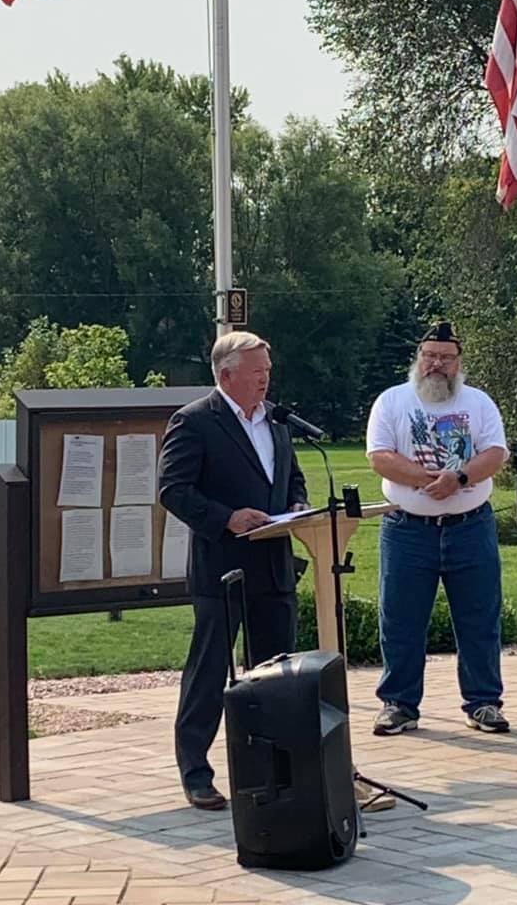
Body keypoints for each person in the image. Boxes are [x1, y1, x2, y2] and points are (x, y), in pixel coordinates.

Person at [158, 331, 309, 810]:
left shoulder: (276, 421)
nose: (266, 379)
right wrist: (226, 517)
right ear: (227, 375)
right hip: (224, 570)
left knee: (276, 676)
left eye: (268, 370)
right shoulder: (196, 421)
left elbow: (291, 474)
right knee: (209, 674)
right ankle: (196, 772)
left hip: (275, 567)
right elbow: (173, 490)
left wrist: (297, 504)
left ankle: (272, 770)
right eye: (257, 372)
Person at [365, 321, 510, 736]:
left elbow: (496, 453)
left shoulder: (478, 403)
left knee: (480, 617)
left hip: (470, 526)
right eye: (430, 355)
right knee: (401, 619)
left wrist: (459, 479)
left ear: (459, 363)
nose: (436, 364)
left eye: (446, 358)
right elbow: (379, 456)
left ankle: (484, 702)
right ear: (418, 359)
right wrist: (424, 479)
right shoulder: (393, 401)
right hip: (408, 529)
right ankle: (398, 704)